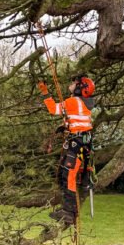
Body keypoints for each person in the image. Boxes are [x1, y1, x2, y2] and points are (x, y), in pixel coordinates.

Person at [38, 75, 96, 227]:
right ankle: (69, 209)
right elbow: (77, 121)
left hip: (76, 143)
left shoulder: (73, 102)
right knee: (68, 174)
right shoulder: (84, 103)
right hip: (83, 142)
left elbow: (53, 109)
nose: (71, 84)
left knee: (68, 176)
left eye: (74, 83)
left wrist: (45, 92)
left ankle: (69, 212)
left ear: (79, 88)